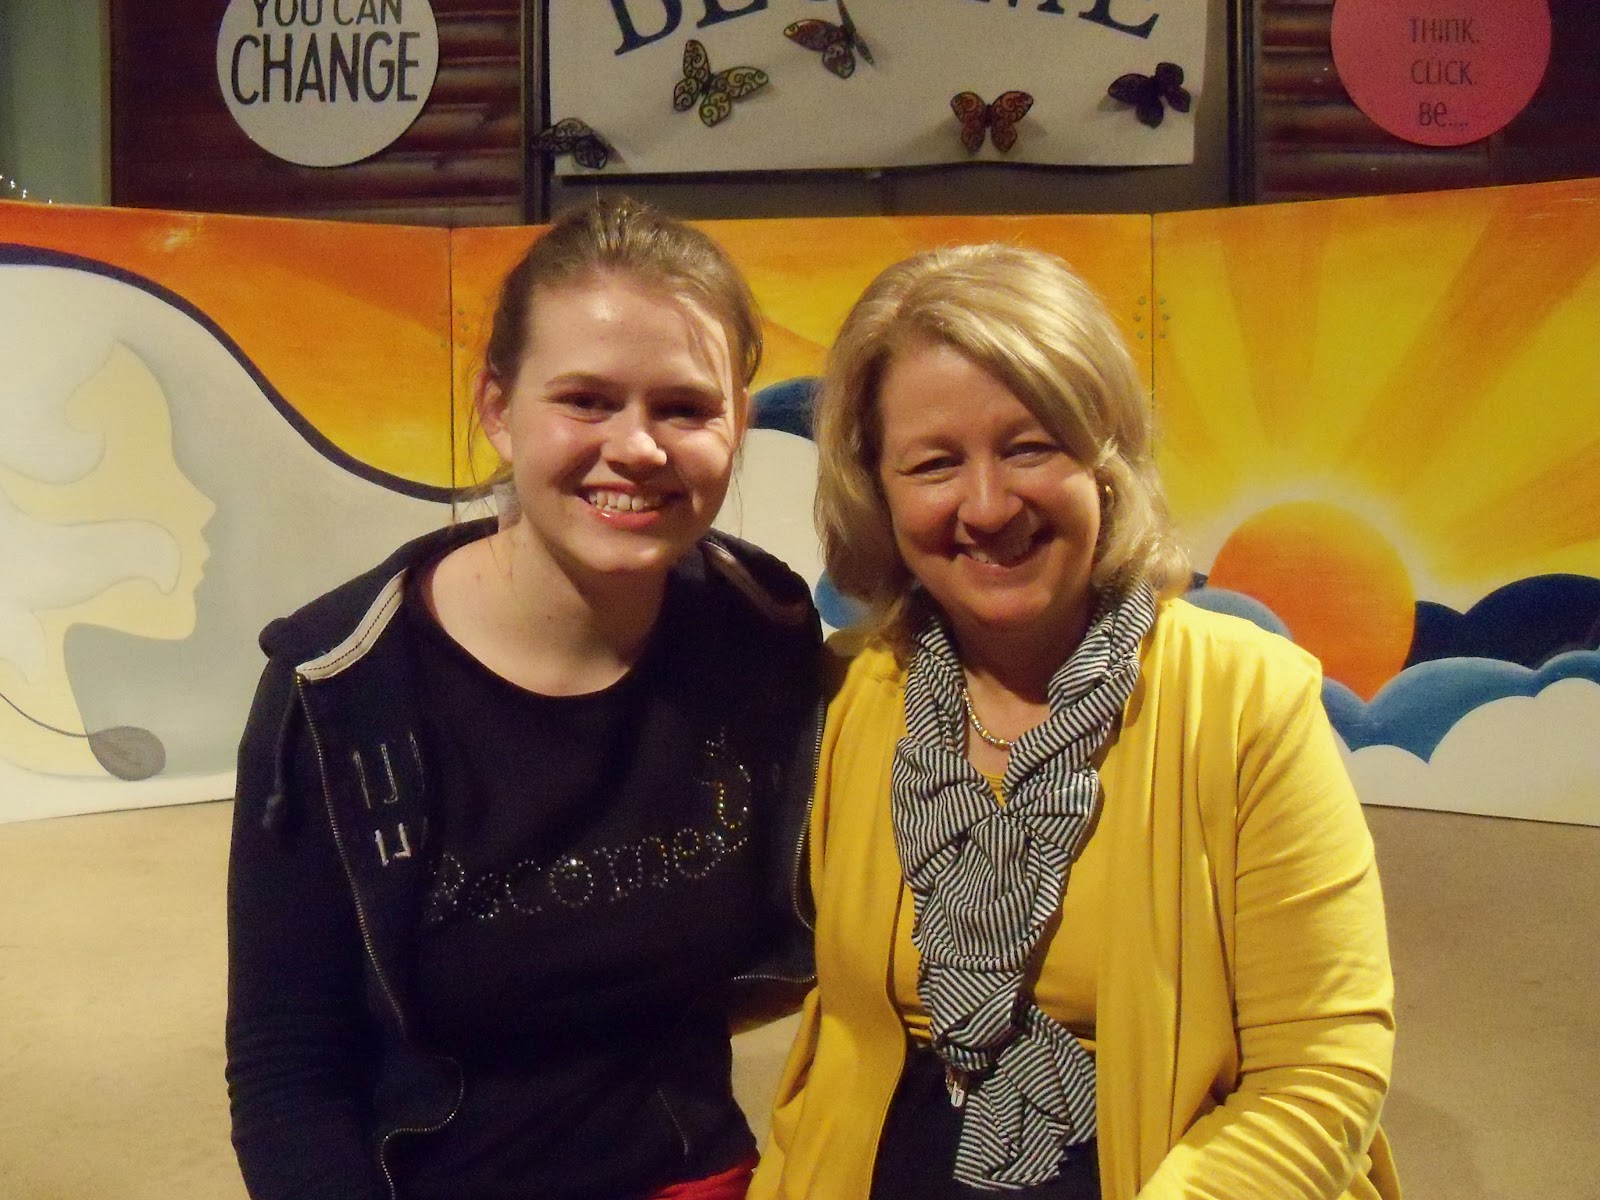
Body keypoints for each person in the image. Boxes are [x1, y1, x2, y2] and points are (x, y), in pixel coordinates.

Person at [751, 244, 1399, 1200]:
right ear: (877, 489)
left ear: (1106, 458)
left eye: (1029, 447)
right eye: (935, 463)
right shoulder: (846, 696)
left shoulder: (1247, 702)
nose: (987, 506)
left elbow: (1320, 1073)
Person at [226, 197, 821, 1200]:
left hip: (695, 1175)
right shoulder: (340, 689)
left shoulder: (759, 626)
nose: (638, 448)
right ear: (498, 408)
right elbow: (287, 1070)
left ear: (739, 425)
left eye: (684, 408)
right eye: (587, 401)